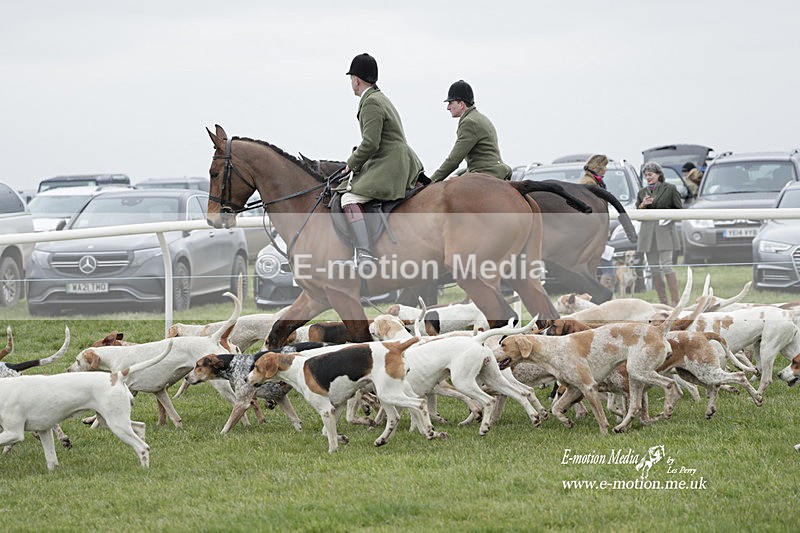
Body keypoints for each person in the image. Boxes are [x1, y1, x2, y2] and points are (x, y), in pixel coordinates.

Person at [339, 53, 423, 270]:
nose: (351, 83)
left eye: (351, 79)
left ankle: (365, 255)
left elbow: (371, 143)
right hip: (394, 157)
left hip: (390, 163)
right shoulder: (379, 97)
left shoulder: (371, 102)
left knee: (348, 198)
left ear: (356, 79)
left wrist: (351, 163)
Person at [429, 80, 511, 182]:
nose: (448, 107)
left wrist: (430, 181)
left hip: (485, 174)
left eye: (451, 102)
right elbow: (479, 161)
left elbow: (454, 160)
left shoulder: (469, 122)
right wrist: (459, 174)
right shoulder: (481, 118)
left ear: (461, 104)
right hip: (494, 171)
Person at [636, 161, 683, 306]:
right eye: (646, 175)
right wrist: (643, 205)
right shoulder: (642, 192)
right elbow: (637, 215)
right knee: (654, 268)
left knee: (667, 265)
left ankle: (675, 301)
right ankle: (663, 302)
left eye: (650, 175)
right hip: (648, 236)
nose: (648, 178)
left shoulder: (670, 189)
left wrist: (667, 217)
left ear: (658, 175)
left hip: (665, 233)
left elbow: (679, 211)